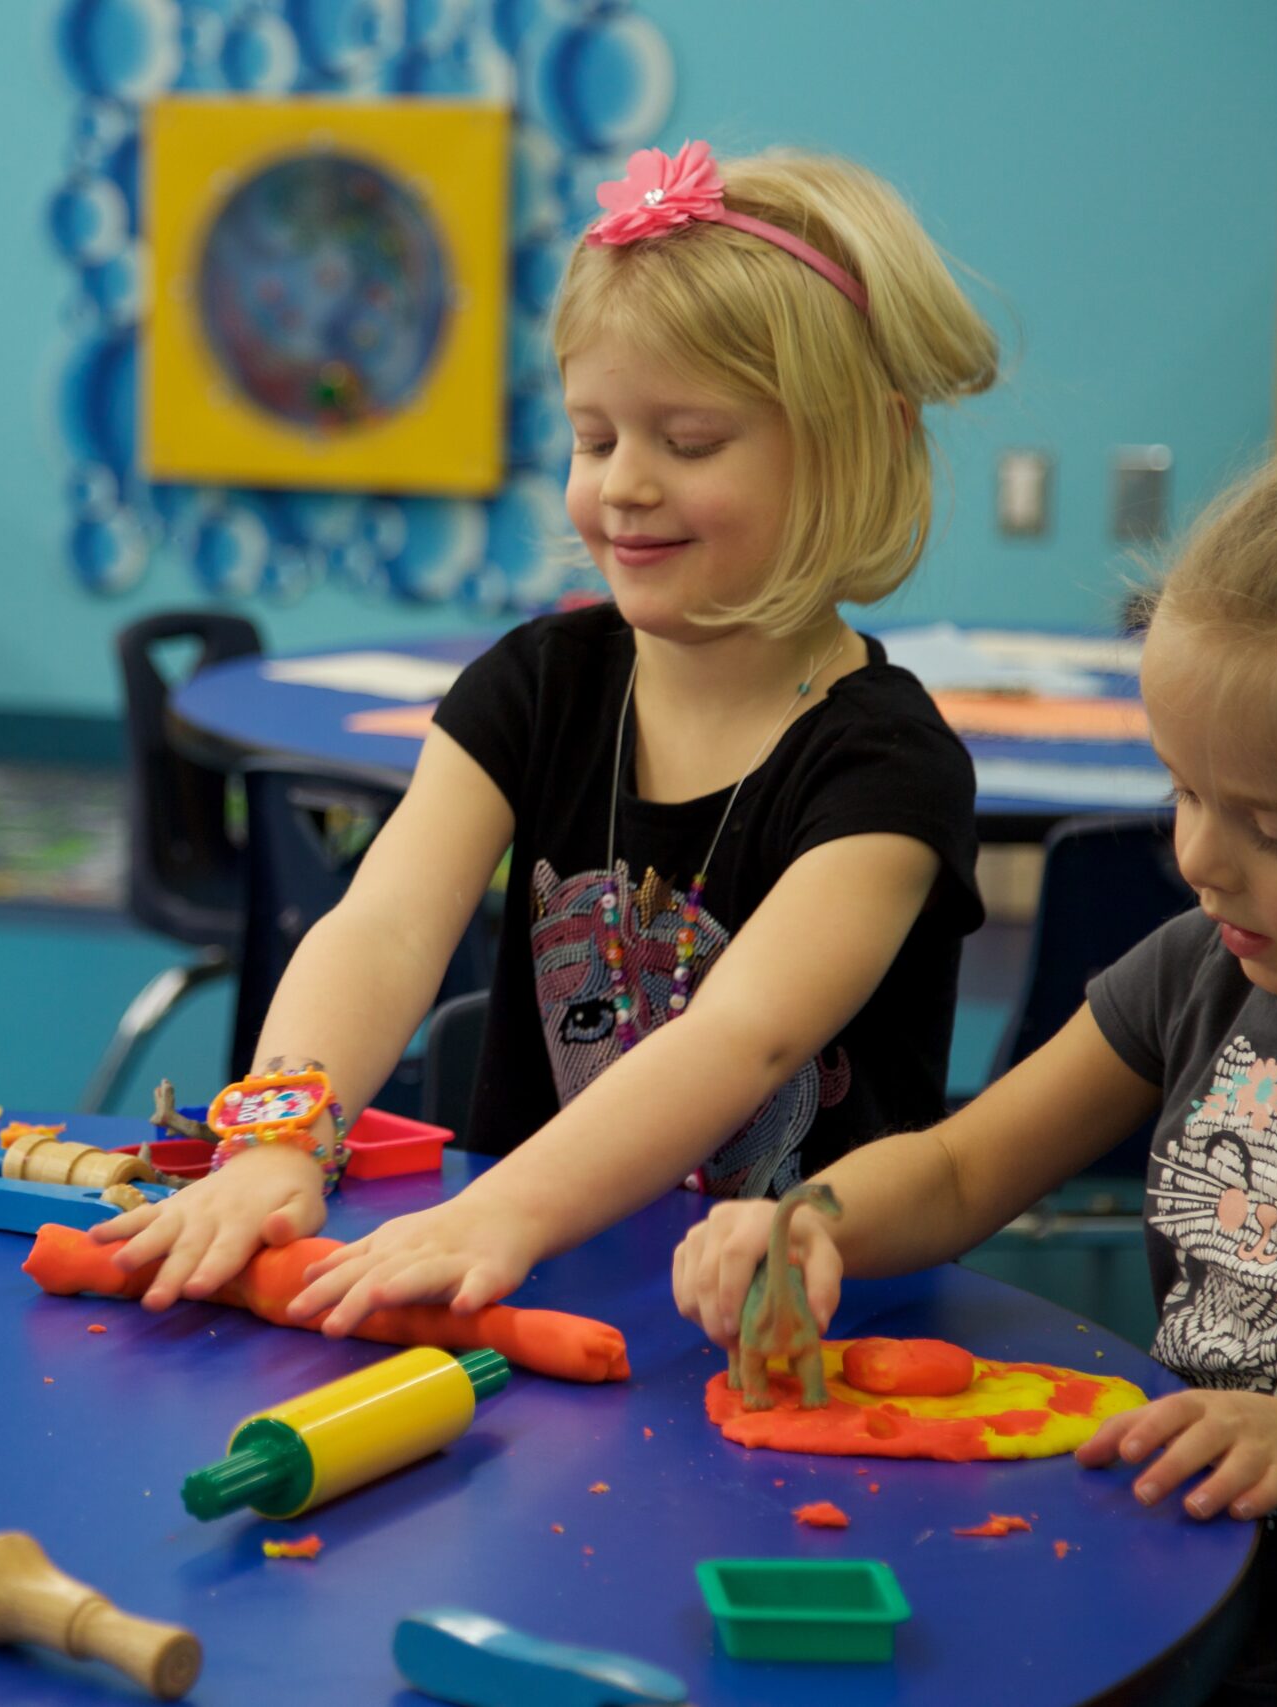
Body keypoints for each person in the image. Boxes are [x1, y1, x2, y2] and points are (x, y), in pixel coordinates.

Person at [100, 141, 996, 1325]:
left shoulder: (885, 769)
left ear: (854, 446)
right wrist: (280, 1138)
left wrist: (497, 1213)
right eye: (593, 438)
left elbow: (745, 1040)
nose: (623, 485)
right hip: (524, 1297)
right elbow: (380, 928)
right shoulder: (538, 685)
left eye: (687, 443)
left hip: (789, 1332)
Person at [674, 421, 1277, 1698]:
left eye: (1276, 828)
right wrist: (811, 1220)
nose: (1201, 858)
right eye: (1181, 790)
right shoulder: (1203, 968)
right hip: (1170, 1588)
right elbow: (958, 1171)